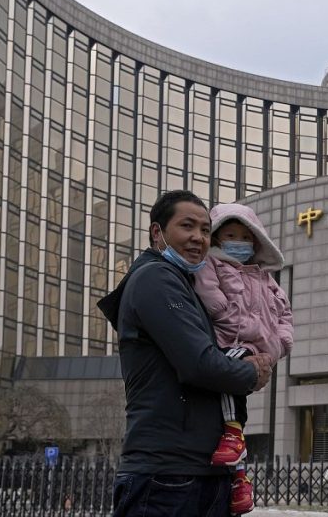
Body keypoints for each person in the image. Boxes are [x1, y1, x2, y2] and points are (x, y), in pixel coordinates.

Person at [97, 190, 274, 517]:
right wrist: (252, 372)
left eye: (206, 230)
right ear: (157, 232)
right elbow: (199, 363)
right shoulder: (155, 278)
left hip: (197, 472)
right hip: (166, 477)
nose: (198, 238)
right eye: (187, 226)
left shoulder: (187, 284)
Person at [194, 203, 294, 515]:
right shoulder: (210, 263)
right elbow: (209, 295)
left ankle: (236, 451)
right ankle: (238, 468)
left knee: (233, 393)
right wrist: (230, 317)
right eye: (230, 235)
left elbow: (285, 315)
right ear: (217, 238)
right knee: (230, 383)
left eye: (246, 237)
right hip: (229, 343)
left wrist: (278, 346)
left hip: (260, 350)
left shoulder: (265, 277)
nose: (239, 242)